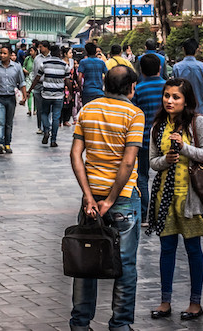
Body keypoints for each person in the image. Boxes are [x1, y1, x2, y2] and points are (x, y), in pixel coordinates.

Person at [69, 65, 144, 331]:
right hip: (122, 199)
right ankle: (120, 325)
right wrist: (111, 200)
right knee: (125, 265)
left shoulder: (87, 109)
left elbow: (75, 154)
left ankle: (79, 324)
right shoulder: (134, 114)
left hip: (90, 199)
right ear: (131, 88)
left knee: (85, 261)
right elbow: (128, 162)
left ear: (105, 84)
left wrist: (89, 197)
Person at [147, 77, 203, 321]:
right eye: (167, 96)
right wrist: (166, 160)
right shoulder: (157, 126)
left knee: (193, 249)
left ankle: (195, 303)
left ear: (186, 100)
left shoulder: (198, 123)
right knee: (166, 249)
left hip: (190, 199)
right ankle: (165, 301)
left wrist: (184, 148)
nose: (169, 101)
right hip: (165, 199)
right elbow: (153, 162)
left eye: (176, 97)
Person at [132, 53, 165, 217]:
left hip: (144, 139)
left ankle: (145, 214)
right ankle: (163, 213)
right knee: (166, 176)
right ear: (160, 68)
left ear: (142, 71)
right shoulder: (168, 88)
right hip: (166, 139)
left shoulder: (138, 89)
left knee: (142, 177)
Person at [0, 45, 27, 155]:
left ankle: (7, 143)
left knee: (9, 123)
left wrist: (24, 96)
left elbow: (22, 82)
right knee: (0, 122)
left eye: (5, 53)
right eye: (1, 53)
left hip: (11, 98)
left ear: (10, 55)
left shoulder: (17, 67)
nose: (2, 55)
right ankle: (0, 143)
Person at [30, 44, 71, 147]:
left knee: (44, 113)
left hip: (46, 94)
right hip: (58, 95)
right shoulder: (64, 65)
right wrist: (70, 92)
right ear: (59, 53)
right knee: (56, 117)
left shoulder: (44, 64)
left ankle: (46, 130)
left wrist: (30, 89)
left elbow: (37, 78)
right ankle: (53, 140)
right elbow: (68, 81)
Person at [172, 38, 203, 113]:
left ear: (183, 49)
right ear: (196, 50)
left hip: (181, 109)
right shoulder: (202, 67)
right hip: (198, 109)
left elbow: (174, 89)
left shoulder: (177, 67)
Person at [61, 46, 78, 127]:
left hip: (71, 84)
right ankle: (60, 120)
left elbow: (75, 74)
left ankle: (66, 120)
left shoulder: (72, 62)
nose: (71, 54)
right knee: (63, 102)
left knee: (71, 102)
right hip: (63, 84)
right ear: (65, 54)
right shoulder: (61, 62)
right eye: (70, 53)